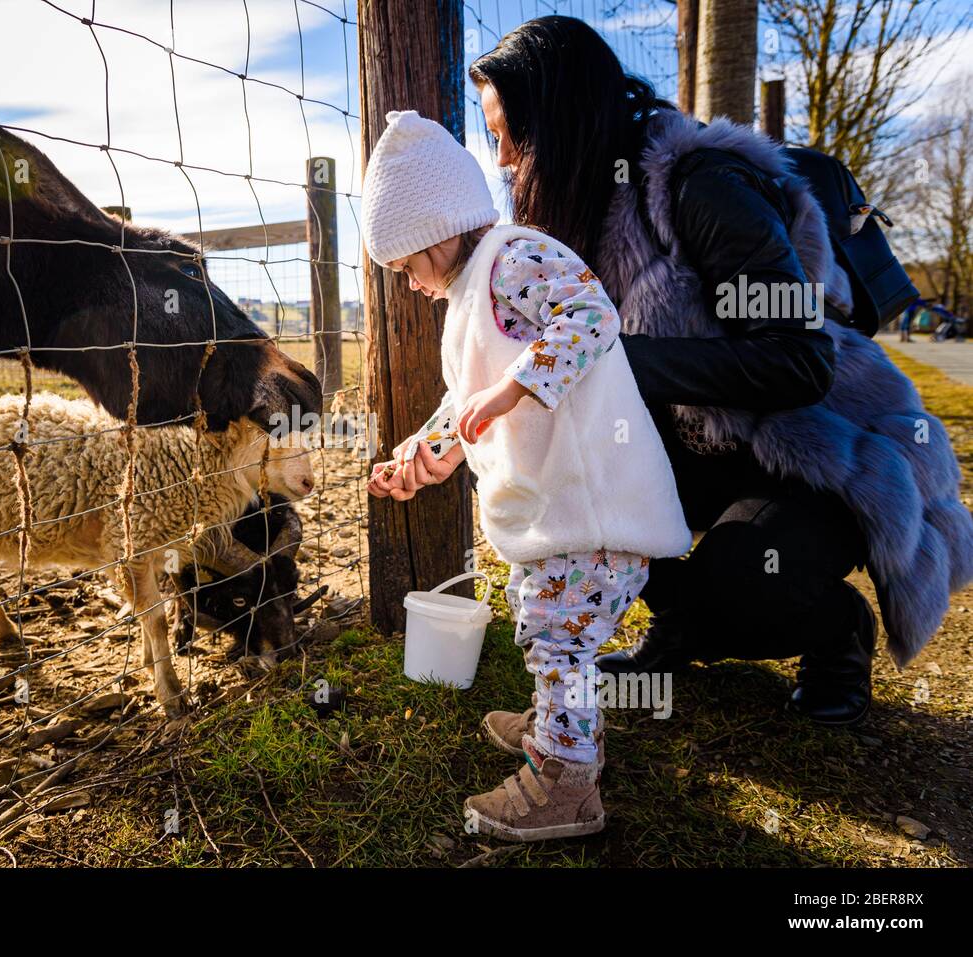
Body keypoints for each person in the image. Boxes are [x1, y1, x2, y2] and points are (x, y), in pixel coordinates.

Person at [384, 15, 973, 731]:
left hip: (813, 450)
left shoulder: (703, 185)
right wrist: (445, 440)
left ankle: (834, 629)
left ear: (564, 120)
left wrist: (607, 357)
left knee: (742, 583)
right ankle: (683, 622)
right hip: (700, 442)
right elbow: (532, 368)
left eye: (513, 134)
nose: (503, 159)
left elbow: (800, 361)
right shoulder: (575, 216)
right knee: (590, 513)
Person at [363, 110, 691, 841]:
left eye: (404, 265)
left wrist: (514, 387)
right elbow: (465, 398)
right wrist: (426, 453)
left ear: (437, 227)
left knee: (556, 635)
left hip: (596, 508)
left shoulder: (514, 257)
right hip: (563, 515)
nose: (408, 285)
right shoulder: (469, 292)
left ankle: (566, 784)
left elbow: (591, 313)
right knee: (547, 625)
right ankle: (559, 724)